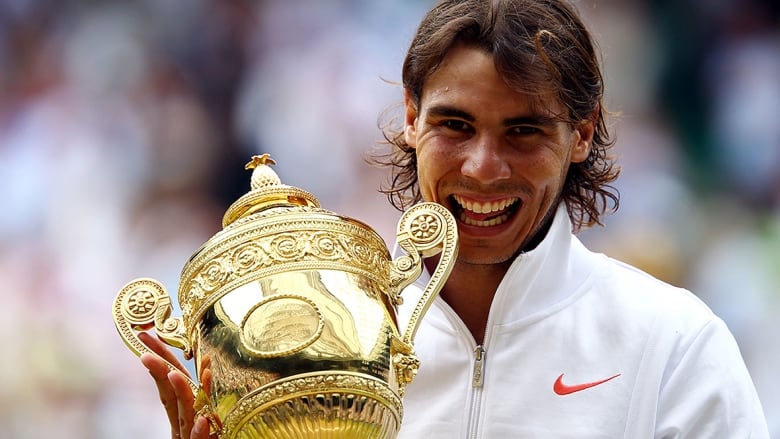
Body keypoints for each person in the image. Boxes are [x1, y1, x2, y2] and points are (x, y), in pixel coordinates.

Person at [140, 0, 770, 437]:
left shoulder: (673, 343)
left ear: (583, 132)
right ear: (411, 117)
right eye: (455, 126)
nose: (483, 167)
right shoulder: (317, 357)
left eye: (523, 131)